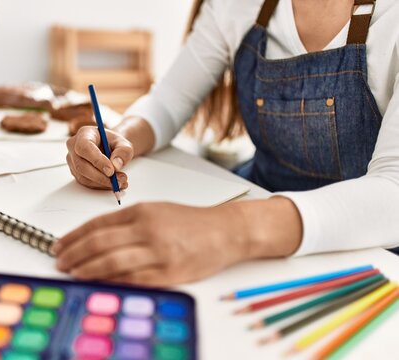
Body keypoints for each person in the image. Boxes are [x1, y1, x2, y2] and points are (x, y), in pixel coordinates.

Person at [52, 0, 399, 286]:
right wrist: (120, 136)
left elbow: (393, 189)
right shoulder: (236, 5)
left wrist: (229, 230)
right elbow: (167, 101)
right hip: (259, 196)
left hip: (370, 251)